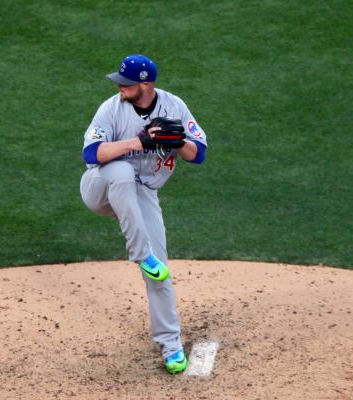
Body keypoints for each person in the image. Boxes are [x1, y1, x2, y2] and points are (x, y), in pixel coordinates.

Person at [79, 54, 208, 374]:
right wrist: (138, 141)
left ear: (146, 84)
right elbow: (91, 153)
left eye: (126, 83)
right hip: (100, 187)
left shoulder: (174, 106)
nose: (120, 86)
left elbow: (199, 154)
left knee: (160, 270)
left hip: (142, 194)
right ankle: (140, 254)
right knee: (121, 170)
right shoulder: (110, 108)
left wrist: (178, 143)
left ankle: (171, 346)